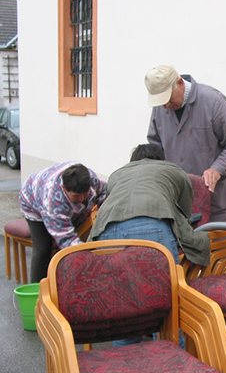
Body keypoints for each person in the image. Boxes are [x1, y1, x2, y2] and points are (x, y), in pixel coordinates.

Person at [88, 143, 210, 346]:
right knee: (165, 301)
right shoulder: (174, 170)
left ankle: (126, 368)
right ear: (161, 158)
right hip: (151, 226)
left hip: (106, 231)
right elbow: (184, 212)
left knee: (122, 301)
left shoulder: (117, 174)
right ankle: (170, 366)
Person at [145, 64, 226, 223]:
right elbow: (155, 146)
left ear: (180, 83)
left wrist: (217, 169)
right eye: (161, 102)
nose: (165, 106)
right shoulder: (161, 108)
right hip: (182, 203)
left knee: (222, 247)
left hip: (219, 202)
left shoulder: (213, 101)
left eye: (167, 99)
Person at [19, 162, 107, 283]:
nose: (81, 199)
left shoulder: (90, 178)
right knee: (43, 248)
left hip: (56, 198)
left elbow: (104, 194)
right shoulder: (53, 201)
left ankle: (66, 281)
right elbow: (67, 240)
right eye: (76, 196)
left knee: (79, 237)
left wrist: (105, 212)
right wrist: (89, 258)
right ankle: (37, 291)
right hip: (32, 203)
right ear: (64, 188)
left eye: (85, 195)